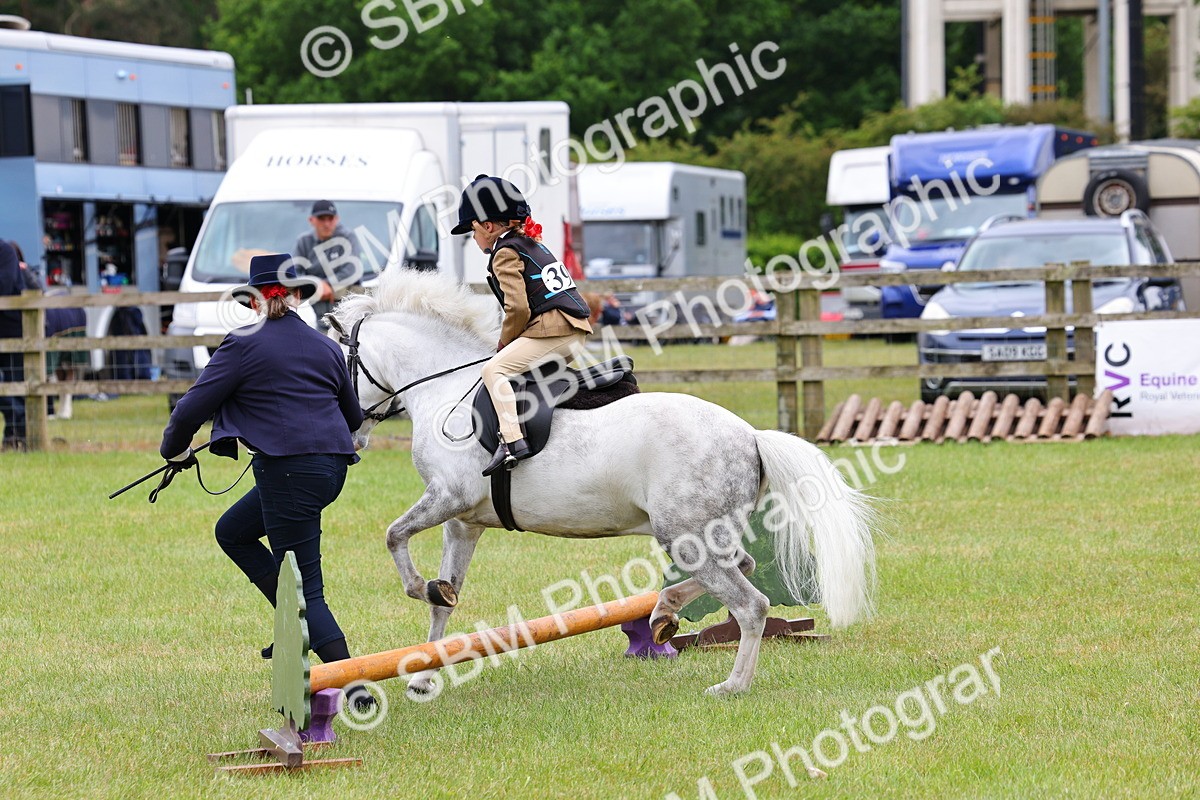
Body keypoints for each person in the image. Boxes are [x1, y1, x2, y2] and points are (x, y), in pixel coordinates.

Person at [159, 253, 369, 680]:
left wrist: (174, 452)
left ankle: (353, 682)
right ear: (295, 297)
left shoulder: (241, 344)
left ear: (253, 301)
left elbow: (186, 413)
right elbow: (353, 417)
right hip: (331, 470)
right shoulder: (325, 345)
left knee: (307, 588)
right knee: (233, 532)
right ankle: (294, 620)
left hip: (289, 474)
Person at [451, 175, 593, 476]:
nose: (473, 238)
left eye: (472, 230)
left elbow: (517, 308)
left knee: (494, 369)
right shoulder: (528, 243)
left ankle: (512, 442)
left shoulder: (504, 252)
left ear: (488, 226)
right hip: (572, 329)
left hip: (555, 330)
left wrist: (503, 345)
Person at [293, 200, 361, 325]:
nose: (326, 223)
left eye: (330, 218)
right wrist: (316, 285)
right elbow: (294, 273)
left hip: (347, 311)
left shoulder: (348, 237)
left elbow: (352, 269)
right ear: (311, 220)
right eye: (321, 219)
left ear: (337, 219)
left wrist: (329, 284)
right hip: (311, 312)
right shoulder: (303, 241)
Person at [0, 239, 26, 450]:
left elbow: (4, 285)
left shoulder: (5, 251)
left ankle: (19, 437)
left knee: (17, 385)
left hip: (13, 331)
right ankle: (13, 432)